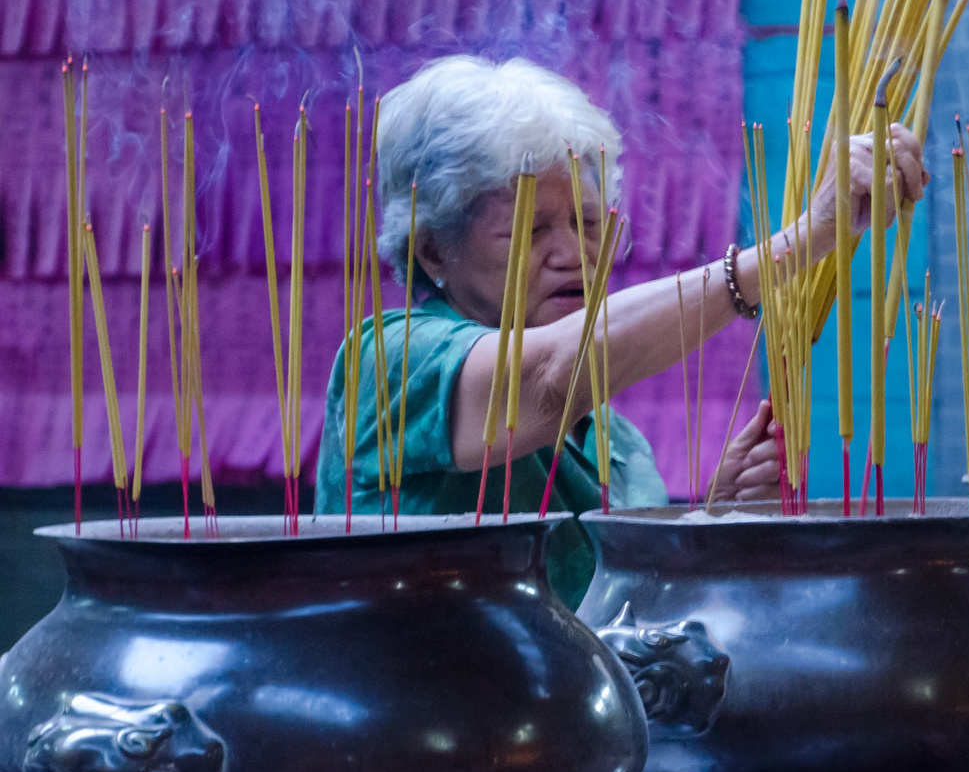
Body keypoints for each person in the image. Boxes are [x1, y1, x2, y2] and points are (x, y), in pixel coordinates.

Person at [314, 56, 925, 607]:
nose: (573, 255)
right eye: (527, 230)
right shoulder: (391, 359)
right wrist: (793, 246)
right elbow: (545, 379)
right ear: (433, 252)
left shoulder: (616, 442)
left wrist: (714, 516)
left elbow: (631, 615)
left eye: (585, 222)